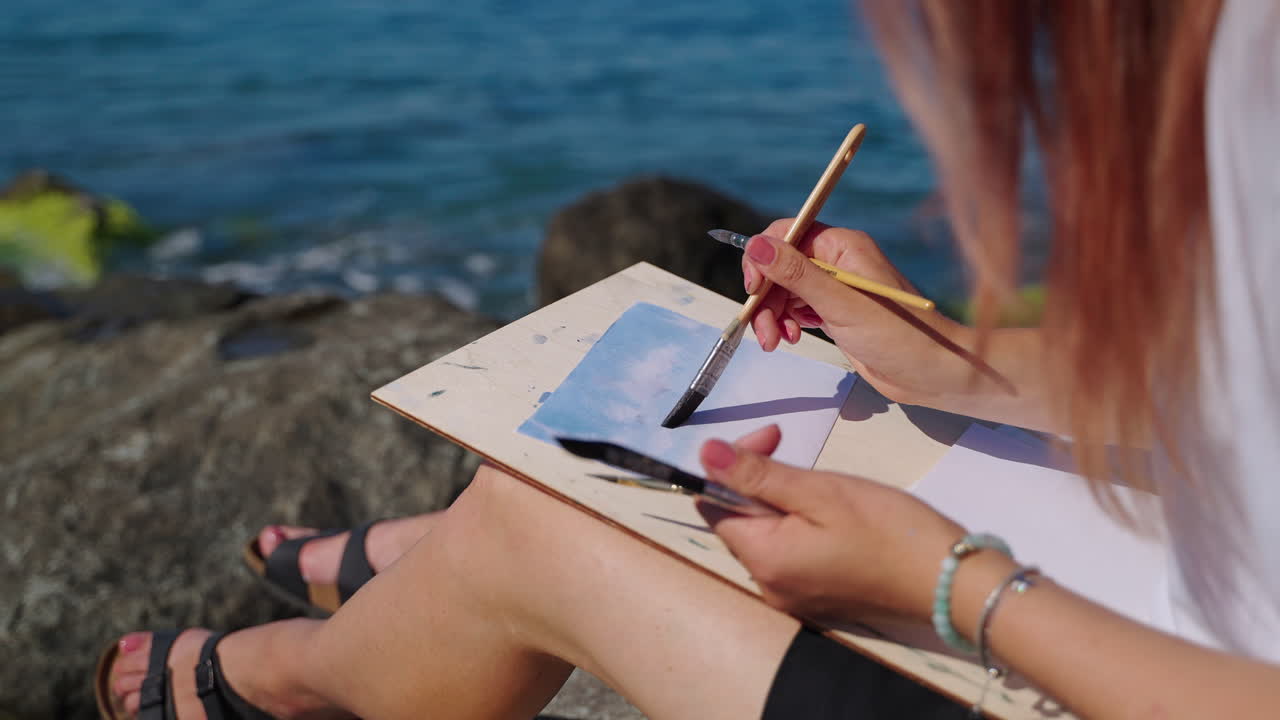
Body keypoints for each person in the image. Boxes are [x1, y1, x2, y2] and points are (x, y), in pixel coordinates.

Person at [99, 1, 1280, 719]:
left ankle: (311, 677)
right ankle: (421, 572)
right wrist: (946, 360)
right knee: (672, 456)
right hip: (1176, 562)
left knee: (532, 518)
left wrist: (948, 583)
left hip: (1148, 670)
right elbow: (1244, 381)